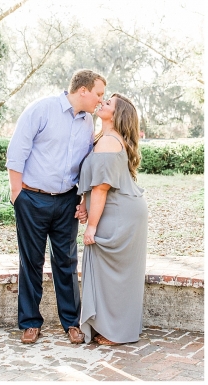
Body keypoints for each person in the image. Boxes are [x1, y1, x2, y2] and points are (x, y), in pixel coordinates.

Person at [6, 69, 106, 345]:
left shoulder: (88, 122)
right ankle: (29, 323)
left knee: (66, 262)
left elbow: (86, 163)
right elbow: (17, 151)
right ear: (83, 90)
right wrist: (18, 195)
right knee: (31, 262)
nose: (101, 99)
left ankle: (71, 323)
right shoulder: (42, 109)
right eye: (98, 93)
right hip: (32, 198)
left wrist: (82, 198)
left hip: (67, 201)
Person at [78, 94, 148, 345]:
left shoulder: (109, 141)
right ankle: (113, 327)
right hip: (120, 209)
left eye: (108, 103)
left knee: (113, 273)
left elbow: (101, 188)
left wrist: (91, 226)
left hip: (118, 212)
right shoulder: (105, 139)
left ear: (117, 115)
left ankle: (116, 331)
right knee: (113, 273)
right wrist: (84, 205)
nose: (102, 103)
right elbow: (95, 182)